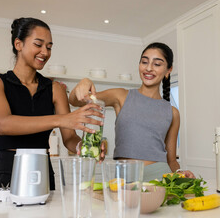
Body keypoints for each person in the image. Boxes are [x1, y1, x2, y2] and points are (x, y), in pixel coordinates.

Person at [0, 17, 105, 194]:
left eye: (49, 47)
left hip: (43, 172)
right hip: (7, 171)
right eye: (38, 44)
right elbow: (3, 124)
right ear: (19, 44)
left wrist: (85, 147)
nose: (45, 52)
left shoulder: (55, 89)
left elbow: (69, 138)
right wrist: (62, 119)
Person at [69, 42, 195, 181]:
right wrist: (84, 82)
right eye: (144, 62)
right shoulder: (121, 96)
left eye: (157, 64)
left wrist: (180, 172)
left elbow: (171, 160)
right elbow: (75, 101)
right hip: (124, 178)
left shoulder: (172, 112)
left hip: (159, 178)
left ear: (168, 70)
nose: (148, 68)